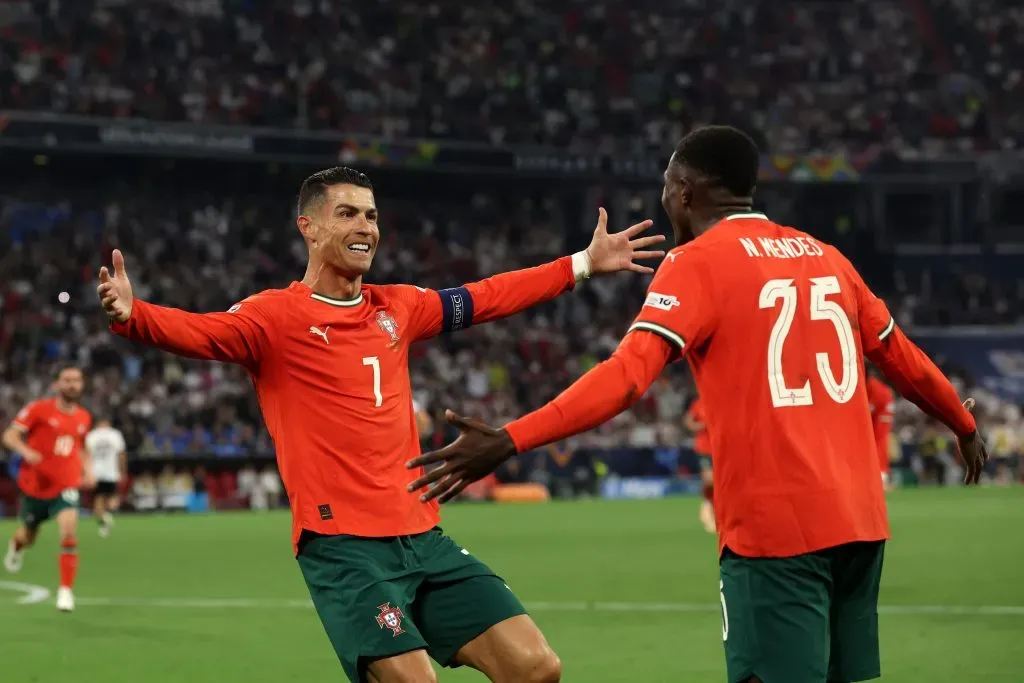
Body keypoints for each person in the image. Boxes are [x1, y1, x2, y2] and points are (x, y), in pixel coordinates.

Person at [407, 126, 989, 683]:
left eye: (666, 187)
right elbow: (901, 356)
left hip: (776, 531)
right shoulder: (827, 257)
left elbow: (627, 378)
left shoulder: (696, 263)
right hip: (860, 525)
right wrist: (962, 424)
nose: (663, 201)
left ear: (685, 191)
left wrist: (512, 439)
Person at [96, 166, 662, 683]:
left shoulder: (399, 307)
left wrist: (582, 264)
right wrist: (134, 314)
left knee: (537, 667)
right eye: (346, 213)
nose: (365, 225)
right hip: (342, 545)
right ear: (309, 228)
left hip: (421, 535)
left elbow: (487, 296)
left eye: (371, 214)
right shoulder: (275, 318)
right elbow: (201, 332)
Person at [2, 366, 94, 612]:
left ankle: (65, 591)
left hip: (66, 485)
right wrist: (26, 452)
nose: (72, 384)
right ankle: (16, 547)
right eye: (67, 380)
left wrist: (89, 470)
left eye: (76, 380)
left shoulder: (84, 417)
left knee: (68, 530)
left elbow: (82, 447)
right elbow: (9, 436)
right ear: (58, 384)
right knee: (28, 536)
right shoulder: (38, 409)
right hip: (35, 486)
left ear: (82, 384)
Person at [85, 416, 127, 536]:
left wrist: (86, 472)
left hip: (96, 472)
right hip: (111, 472)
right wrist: (123, 470)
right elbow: (121, 454)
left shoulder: (91, 435)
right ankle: (106, 516)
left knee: (98, 499)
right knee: (112, 499)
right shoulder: (115, 434)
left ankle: (104, 518)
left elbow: (86, 455)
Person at [683, 395, 715, 533]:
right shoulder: (698, 404)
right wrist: (702, 426)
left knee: (720, 482)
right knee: (709, 480)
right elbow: (688, 422)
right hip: (704, 448)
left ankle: (715, 509)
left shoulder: (722, 401)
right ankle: (707, 505)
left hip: (720, 448)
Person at [865, 367, 895, 490]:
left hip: (881, 417)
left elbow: (870, 407)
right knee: (880, 444)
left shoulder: (874, 386)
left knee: (879, 445)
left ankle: (880, 479)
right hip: (884, 416)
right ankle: (881, 478)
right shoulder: (878, 386)